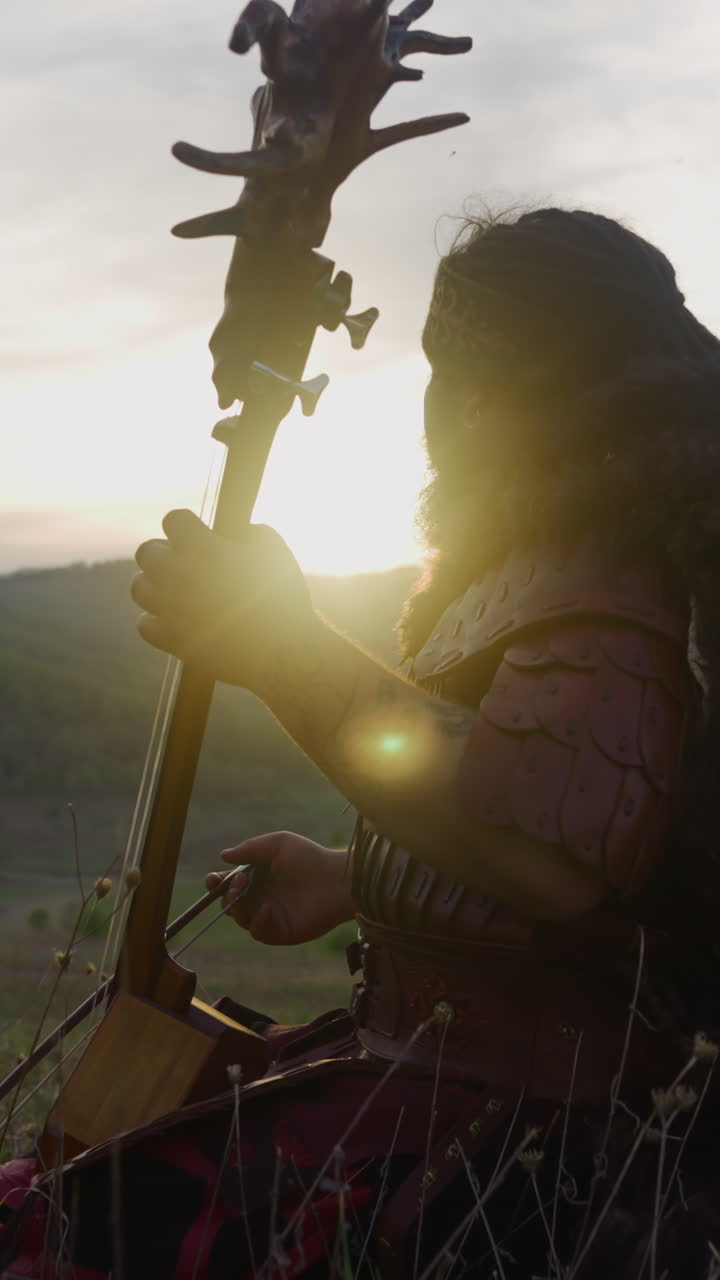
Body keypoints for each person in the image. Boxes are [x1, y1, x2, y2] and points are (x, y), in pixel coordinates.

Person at [3, 206, 720, 1278]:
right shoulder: (544, 565)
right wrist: (350, 877)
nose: (443, 405)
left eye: (460, 367)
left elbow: (557, 849)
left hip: (510, 1137)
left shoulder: (611, 587)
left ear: (514, 387)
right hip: (415, 1075)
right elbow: (543, 854)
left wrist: (285, 644)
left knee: (64, 1239)